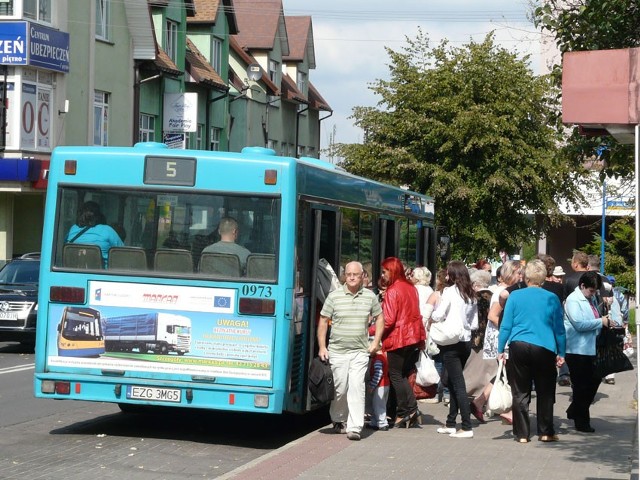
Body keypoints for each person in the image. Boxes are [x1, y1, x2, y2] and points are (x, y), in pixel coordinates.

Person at [497, 259, 566, 443]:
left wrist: (500, 348)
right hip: (544, 347)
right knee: (545, 390)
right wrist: (562, 352)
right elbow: (559, 328)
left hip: (518, 345)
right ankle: (545, 431)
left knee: (520, 390)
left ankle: (522, 433)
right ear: (543, 279)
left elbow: (506, 326)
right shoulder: (551, 298)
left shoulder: (515, 296)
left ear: (526, 277)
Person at [317, 261, 384, 441]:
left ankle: (355, 427)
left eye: (356, 274)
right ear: (344, 276)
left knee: (356, 386)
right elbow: (323, 320)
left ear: (362, 276)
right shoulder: (334, 296)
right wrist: (322, 347)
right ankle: (338, 419)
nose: (352, 277)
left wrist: (376, 342)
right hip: (337, 351)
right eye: (349, 274)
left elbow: (380, 318)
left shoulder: (370, 297)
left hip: (359, 352)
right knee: (340, 388)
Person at [429, 260, 478, 438]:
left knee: (457, 384)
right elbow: (473, 323)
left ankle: (466, 426)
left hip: (451, 342)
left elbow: (438, 313)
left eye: (448, 273)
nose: (446, 276)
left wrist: (433, 316)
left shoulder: (450, 292)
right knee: (450, 379)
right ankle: (451, 422)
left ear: (453, 275)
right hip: (465, 341)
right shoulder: (471, 293)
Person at [470, 260, 521, 424]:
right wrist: (508, 329)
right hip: (502, 337)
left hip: (500, 336)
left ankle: (481, 403)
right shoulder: (504, 291)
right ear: (510, 274)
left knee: (504, 373)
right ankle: (506, 410)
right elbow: (493, 316)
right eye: (519, 273)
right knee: (509, 373)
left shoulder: (504, 290)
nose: (521, 277)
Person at [380, 257, 426, 429]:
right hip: (412, 337)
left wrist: (371, 330)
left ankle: (406, 411)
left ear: (391, 271)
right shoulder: (410, 288)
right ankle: (411, 411)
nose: (382, 275)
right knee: (404, 374)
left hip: (398, 337)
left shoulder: (393, 290)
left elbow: (388, 320)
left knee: (396, 375)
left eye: (384, 271)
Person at [564, 271, 612, 433]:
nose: (593, 294)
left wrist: (604, 321)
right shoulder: (573, 300)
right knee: (581, 386)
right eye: (591, 291)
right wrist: (601, 322)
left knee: (594, 380)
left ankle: (575, 409)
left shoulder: (589, 299)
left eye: (595, 291)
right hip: (577, 349)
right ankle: (582, 421)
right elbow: (579, 324)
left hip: (590, 347)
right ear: (582, 286)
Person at [66, 201, 124, 266]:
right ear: (99, 215)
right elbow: (123, 252)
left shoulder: (73, 229)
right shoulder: (107, 230)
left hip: (74, 273)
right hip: (102, 274)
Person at [423, 268, 449, 405]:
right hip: (451, 334)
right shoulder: (457, 294)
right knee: (450, 363)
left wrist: (425, 328)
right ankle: (448, 393)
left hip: (437, 334)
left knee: (438, 362)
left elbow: (425, 315)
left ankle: (438, 392)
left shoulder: (435, 295)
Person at [365, 347, 390, 431]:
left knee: (378, 405)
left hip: (380, 386)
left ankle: (382, 423)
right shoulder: (383, 356)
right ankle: (374, 422)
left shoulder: (377, 359)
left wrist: (372, 386)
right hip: (385, 384)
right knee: (378, 405)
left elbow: (378, 373)